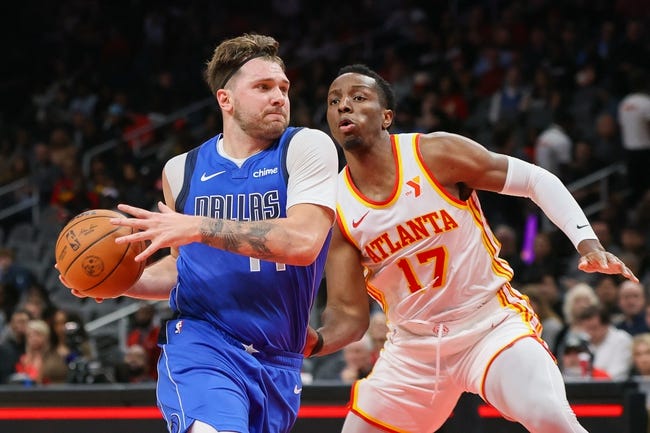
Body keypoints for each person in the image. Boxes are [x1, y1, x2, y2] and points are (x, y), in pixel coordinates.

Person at [60, 34, 368, 433]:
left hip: (279, 359)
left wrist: (198, 226)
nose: (279, 97)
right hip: (203, 345)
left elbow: (303, 242)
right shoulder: (180, 170)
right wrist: (118, 281)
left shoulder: (306, 148)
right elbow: (182, 271)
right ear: (226, 99)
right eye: (263, 87)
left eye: (283, 87)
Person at [313, 64, 638, 433]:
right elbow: (349, 316)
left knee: (550, 417)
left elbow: (534, 179)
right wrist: (313, 341)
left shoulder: (434, 154)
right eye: (334, 101)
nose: (343, 106)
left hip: (488, 324)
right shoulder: (335, 206)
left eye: (358, 97)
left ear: (387, 116)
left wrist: (587, 242)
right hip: (414, 348)